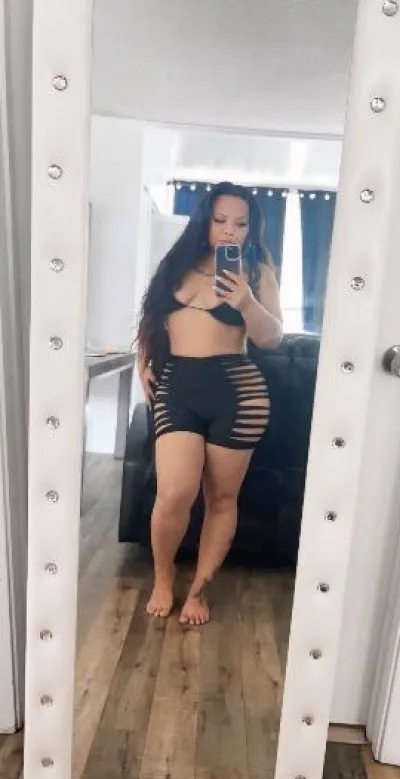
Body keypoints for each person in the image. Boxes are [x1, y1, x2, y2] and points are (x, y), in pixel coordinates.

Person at [137, 181, 283, 625]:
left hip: (237, 392)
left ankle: (198, 591)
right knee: (174, 493)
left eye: (240, 223)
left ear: (251, 229)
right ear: (205, 220)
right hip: (177, 386)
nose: (230, 231)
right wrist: (143, 362)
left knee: (221, 497)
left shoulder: (257, 271)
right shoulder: (176, 264)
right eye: (220, 220)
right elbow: (151, 316)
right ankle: (164, 578)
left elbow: (272, 338)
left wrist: (247, 302)